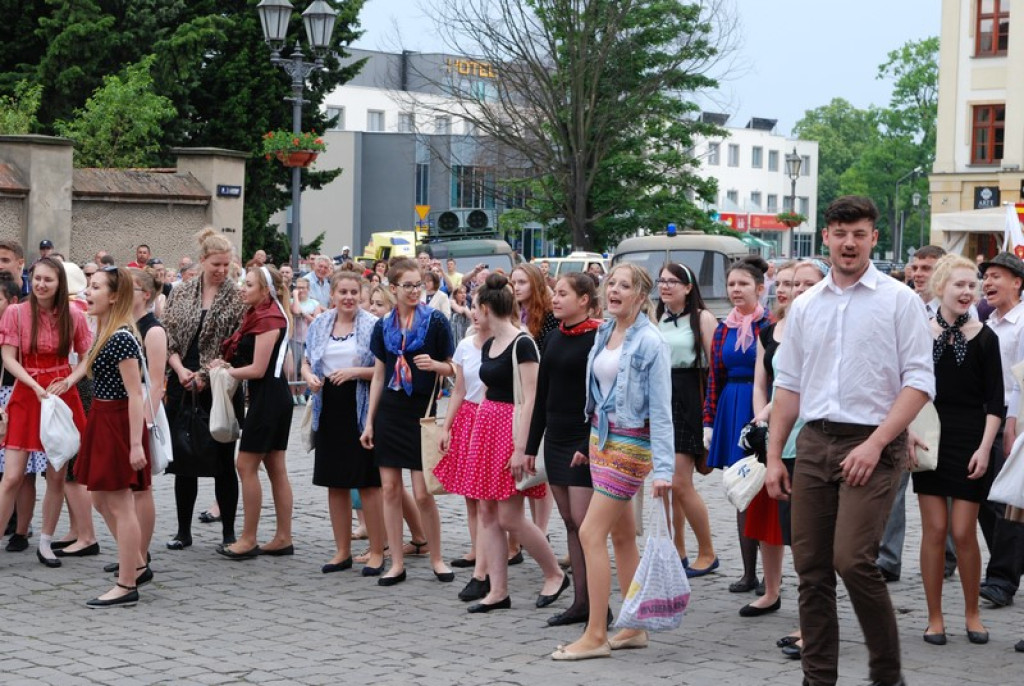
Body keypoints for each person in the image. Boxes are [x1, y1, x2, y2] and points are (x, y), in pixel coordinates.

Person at [766, 195, 935, 686]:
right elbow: (789, 386)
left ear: (873, 239)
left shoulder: (899, 300)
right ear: (825, 237)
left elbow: (920, 381)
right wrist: (775, 456)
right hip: (814, 444)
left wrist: (878, 443)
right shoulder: (805, 305)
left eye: (859, 234)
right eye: (840, 233)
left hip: (873, 444)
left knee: (853, 561)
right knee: (812, 568)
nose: (849, 243)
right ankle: (818, 678)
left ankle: (886, 676)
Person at [551, 263, 673, 661]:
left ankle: (596, 634)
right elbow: (600, 394)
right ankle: (635, 626)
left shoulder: (651, 342)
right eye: (612, 284)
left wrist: (666, 470)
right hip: (601, 439)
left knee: (589, 534)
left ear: (642, 296)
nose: (615, 290)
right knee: (620, 536)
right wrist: (590, 441)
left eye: (625, 286)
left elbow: (662, 410)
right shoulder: (605, 332)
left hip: (631, 444)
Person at [446, 274, 566, 613]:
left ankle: (554, 573)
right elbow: (485, 389)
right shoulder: (487, 344)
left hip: (510, 428)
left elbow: (530, 398)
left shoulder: (522, 343)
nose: (472, 313)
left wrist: (519, 447)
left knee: (510, 516)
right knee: (487, 511)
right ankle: (498, 589)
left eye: (475, 307)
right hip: (488, 425)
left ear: (486, 308)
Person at [911, 254, 1002, 646]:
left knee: (964, 532)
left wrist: (985, 449)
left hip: (971, 438)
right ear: (940, 288)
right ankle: (934, 618)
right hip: (929, 436)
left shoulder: (986, 337)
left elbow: (997, 403)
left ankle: (972, 614)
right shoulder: (919, 332)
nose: (967, 292)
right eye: (959, 285)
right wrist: (907, 434)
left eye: (972, 285)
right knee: (934, 530)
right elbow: (906, 388)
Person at [360, 258, 454, 585]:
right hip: (390, 410)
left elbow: (456, 369)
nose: (415, 291)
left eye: (419, 285)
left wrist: (437, 366)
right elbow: (378, 375)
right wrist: (369, 422)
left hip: (421, 412)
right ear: (394, 288)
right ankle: (396, 562)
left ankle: (437, 558)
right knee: (389, 489)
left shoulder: (436, 322)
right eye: (408, 285)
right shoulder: (383, 325)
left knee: (423, 491)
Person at [0, 257, 93, 568]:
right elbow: (9, 358)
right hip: (28, 395)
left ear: (59, 284)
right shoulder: (16, 313)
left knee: (56, 476)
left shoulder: (74, 316)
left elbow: (85, 357)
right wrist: (34, 385)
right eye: (37, 278)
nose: (41, 284)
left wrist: (68, 380)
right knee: (11, 476)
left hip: (61, 394)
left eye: (48, 280)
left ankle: (45, 542)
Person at [161, 228, 245, 550]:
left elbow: (238, 346)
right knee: (185, 460)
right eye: (216, 265)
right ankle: (184, 531)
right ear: (202, 261)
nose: (222, 271)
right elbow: (167, 335)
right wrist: (181, 369)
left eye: (227, 265)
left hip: (220, 386)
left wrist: (210, 373)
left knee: (224, 460)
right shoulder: (181, 292)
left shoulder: (237, 297)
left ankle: (228, 533)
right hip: (182, 381)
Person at [527, 272, 603, 625]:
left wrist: (589, 441)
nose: (554, 299)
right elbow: (541, 395)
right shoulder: (555, 336)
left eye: (562, 293)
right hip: (554, 439)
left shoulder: (597, 338)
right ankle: (580, 602)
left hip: (581, 440)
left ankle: (596, 602)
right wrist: (530, 446)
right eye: (554, 293)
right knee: (571, 523)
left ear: (584, 299)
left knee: (586, 525)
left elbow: (602, 398)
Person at [75, 266, 150, 607]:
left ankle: (127, 583)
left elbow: (136, 394)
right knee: (101, 499)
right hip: (103, 417)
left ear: (115, 296)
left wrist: (135, 443)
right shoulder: (105, 331)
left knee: (119, 503)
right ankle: (133, 563)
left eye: (96, 287)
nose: (88, 293)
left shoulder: (120, 336)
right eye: (89, 287)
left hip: (118, 420)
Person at [303, 271, 386, 575]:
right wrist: (310, 375)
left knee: (368, 482)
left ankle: (378, 550)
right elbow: (308, 360)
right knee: (334, 482)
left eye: (354, 292)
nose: (348, 297)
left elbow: (382, 371)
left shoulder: (373, 325)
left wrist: (353, 373)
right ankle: (342, 551)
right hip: (329, 406)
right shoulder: (321, 323)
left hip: (361, 405)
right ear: (333, 295)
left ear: (360, 295)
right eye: (343, 292)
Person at [213, 266, 295, 559]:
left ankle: (248, 539)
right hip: (272, 397)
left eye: (248, 284)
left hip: (269, 400)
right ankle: (283, 537)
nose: (242, 288)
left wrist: (226, 370)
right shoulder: (261, 314)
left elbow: (258, 369)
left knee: (245, 466)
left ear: (265, 289)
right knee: (275, 468)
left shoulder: (268, 318)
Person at [703, 256, 772, 594]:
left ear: (760, 289)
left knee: (766, 491)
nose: (736, 290)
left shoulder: (770, 325)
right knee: (742, 489)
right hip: (732, 406)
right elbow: (714, 377)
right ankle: (749, 572)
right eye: (731, 284)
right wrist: (709, 421)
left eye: (743, 284)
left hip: (763, 406)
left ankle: (771, 574)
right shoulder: (723, 328)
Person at [657, 262, 719, 578]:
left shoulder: (702, 318)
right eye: (662, 281)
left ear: (688, 287)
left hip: (690, 399)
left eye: (673, 281)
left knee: (681, 482)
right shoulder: (658, 319)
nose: (665, 286)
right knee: (667, 485)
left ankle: (707, 552)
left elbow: (715, 366)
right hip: (662, 400)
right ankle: (678, 551)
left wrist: (712, 412)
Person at [977, 251, 1024, 610]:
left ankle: (1002, 579)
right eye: (986, 277)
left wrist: (1012, 424)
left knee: (1007, 501)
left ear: (1017, 282)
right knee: (982, 498)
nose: (988, 283)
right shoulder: (987, 323)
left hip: (1013, 420)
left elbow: (1021, 383)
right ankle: (1004, 567)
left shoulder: (1022, 323)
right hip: (983, 419)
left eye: (996, 276)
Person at [435, 293, 489, 598]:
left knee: (488, 496)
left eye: (481, 308)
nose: (474, 313)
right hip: (468, 416)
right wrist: (447, 426)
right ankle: (475, 549)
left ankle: (493, 553)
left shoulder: (508, 342)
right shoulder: (466, 345)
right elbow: (458, 390)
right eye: (474, 307)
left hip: (492, 415)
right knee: (470, 493)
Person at [0, 276, 40, 553]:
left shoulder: (22, 325)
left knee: (25, 473)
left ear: (13, 302)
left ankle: (22, 531)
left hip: (18, 397)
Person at [290, 276, 323, 406]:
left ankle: (302, 393)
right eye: (298, 287)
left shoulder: (314, 303)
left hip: (309, 340)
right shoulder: (292, 300)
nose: (300, 290)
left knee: (306, 367)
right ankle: (293, 393)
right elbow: (296, 310)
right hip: (294, 339)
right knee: (293, 368)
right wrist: (296, 297)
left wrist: (304, 314)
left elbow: (317, 321)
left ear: (308, 289)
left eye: (303, 288)